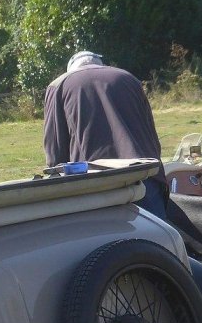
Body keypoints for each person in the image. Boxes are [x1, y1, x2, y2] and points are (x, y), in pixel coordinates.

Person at [43, 50, 168, 219]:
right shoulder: (128, 78)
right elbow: (150, 134)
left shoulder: (59, 85)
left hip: (92, 183)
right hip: (142, 174)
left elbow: (54, 147)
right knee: (158, 239)